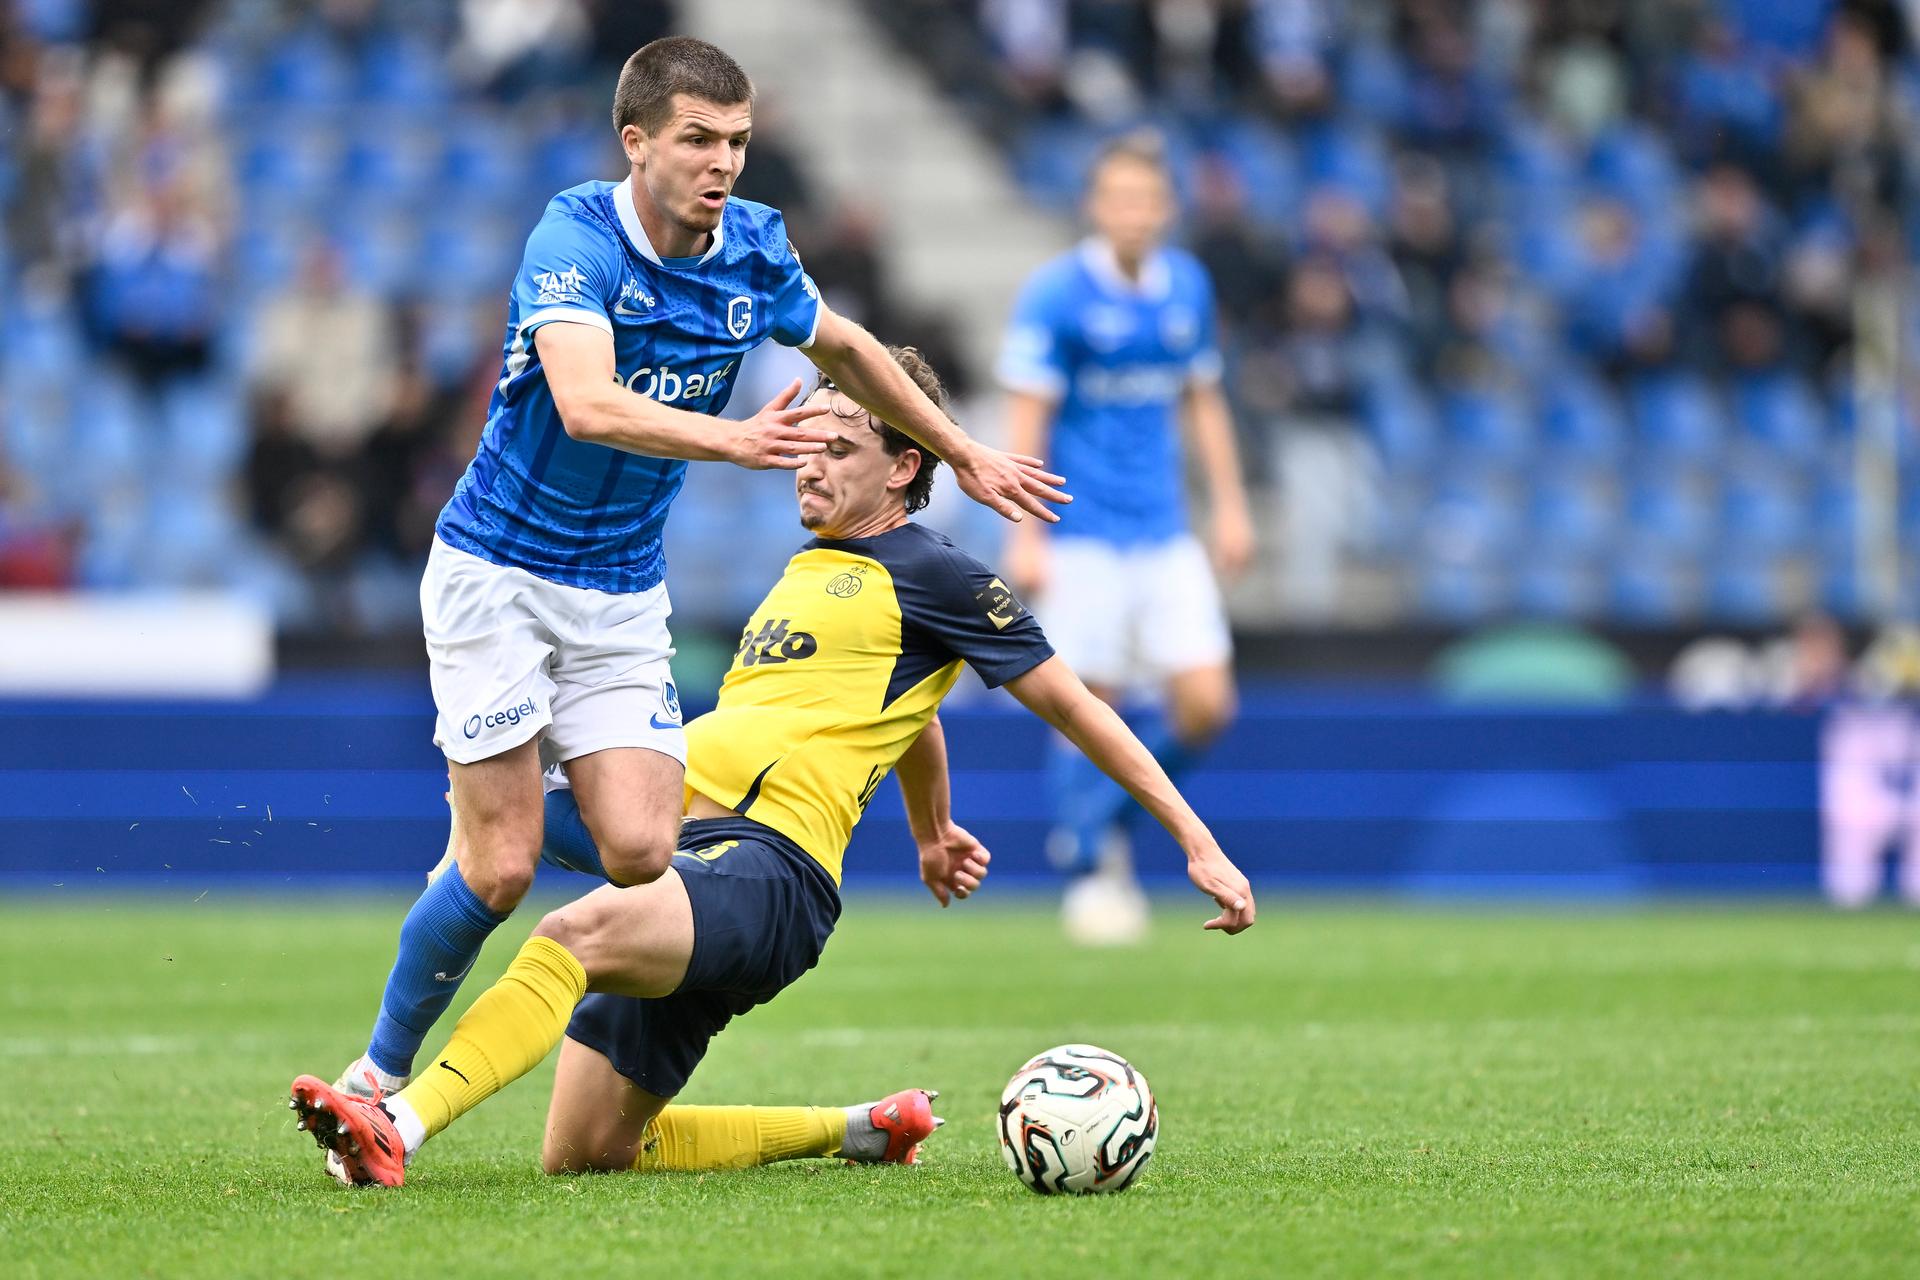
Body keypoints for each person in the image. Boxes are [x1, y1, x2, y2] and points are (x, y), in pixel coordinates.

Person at [288, 348, 1254, 1187]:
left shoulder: (940, 572)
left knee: (570, 930)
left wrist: (1196, 843)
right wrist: (930, 829)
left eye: (840, 447)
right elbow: (910, 712)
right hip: (690, 853)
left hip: (767, 872)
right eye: (807, 442)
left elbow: (1077, 706)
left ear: (903, 465)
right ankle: (861, 1131)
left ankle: (395, 1119)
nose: (808, 462)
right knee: (583, 1154)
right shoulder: (815, 568)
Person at [330, 36, 1068, 1105]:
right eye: (697, 139)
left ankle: (513, 792)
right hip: (501, 565)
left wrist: (962, 449)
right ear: (637, 144)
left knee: (639, 846)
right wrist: (734, 441)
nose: (722, 162)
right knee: (498, 869)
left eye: (738, 141)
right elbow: (585, 402)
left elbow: (851, 349)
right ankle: (378, 1069)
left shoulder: (757, 249)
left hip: (622, 584)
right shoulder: (574, 235)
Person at [996, 133, 1254, 945]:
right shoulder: (1056, 295)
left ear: (1166, 208)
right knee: (1089, 706)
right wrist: (1027, 530)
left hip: (1165, 527)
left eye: (1147, 200)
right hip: (1083, 534)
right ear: (1096, 207)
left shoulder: (1188, 288)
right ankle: (1094, 873)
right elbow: (1029, 414)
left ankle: (1089, 827)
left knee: (1207, 703)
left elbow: (1202, 400)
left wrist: (1232, 506)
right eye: (1119, 200)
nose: (1134, 214)